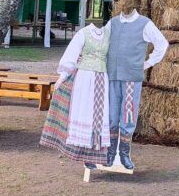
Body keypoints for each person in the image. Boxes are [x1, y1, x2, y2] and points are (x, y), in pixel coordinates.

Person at [104, 9, 169, 169]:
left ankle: (124, 154)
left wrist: (147, 63)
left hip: (131, 78)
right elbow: (102, 43)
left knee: (128, 115)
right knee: (111, 115)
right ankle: (110, 152)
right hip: (112, 75)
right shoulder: (112, 23)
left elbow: (162, 44)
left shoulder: (144, 23)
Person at [40, 23, 111, 165]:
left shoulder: (109, 35)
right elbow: (71, 54)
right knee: (83, 110)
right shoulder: (83, 33)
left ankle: (94, 152)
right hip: (84, 78)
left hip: (102, 78)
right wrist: (63, 76)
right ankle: (79, 150)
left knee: (98, 114)